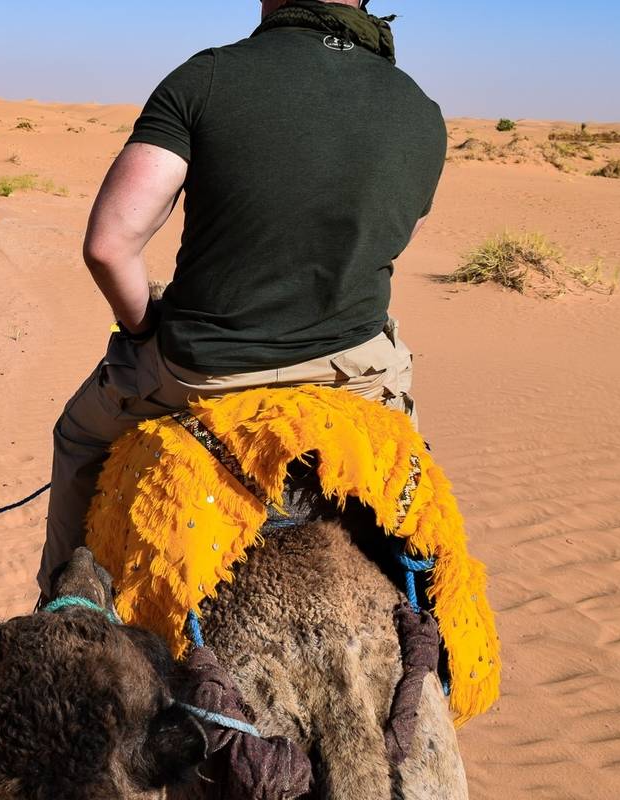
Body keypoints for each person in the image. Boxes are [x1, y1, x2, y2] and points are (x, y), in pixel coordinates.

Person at [38, 0, 447, 597]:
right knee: (415, 495)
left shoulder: (206, 77)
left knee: (77, 437)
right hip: (355, 373)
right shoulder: (421, 110)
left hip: (201, 372)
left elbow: (109, 245)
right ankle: (434, 633)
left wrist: (144, 328)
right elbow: (392, 240)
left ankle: (64, 604)